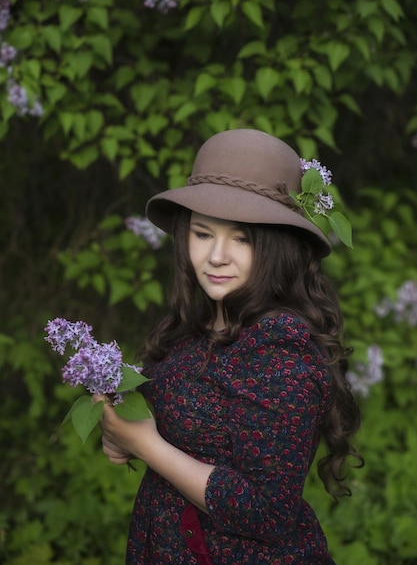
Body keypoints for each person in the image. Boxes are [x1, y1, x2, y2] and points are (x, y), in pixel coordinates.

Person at [94, 129, 363, 564]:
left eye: (242, 238)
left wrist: (145, 445)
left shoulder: (281, 352)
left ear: (277, 247)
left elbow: (266, 511)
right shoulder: (195, 327)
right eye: (202, 234)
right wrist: (121, 435)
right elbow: (191, 434)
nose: (217, 256)